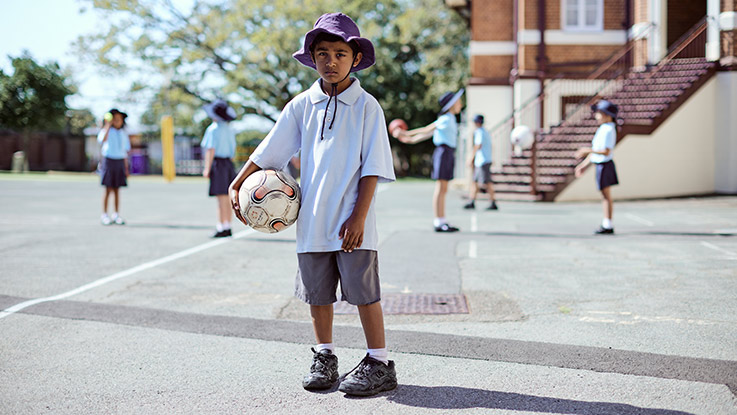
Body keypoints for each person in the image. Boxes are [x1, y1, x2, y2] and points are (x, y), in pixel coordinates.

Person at [228, 13, 397, 396]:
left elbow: (372, 168)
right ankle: (325, 356)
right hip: (312, 220)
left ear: (355, 58)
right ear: (312, 58)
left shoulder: (367, 107)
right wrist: (238, 182)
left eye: (340, 53)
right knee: (317, 295)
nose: (331, 61)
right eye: (323, 53)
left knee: (364, 292)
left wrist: (358, 216)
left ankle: (380, 361)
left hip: (353, 222)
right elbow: (270, 151)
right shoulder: (302, 106)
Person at [393, 89, 464, 232]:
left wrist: (410, 139)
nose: (461, 103)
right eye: (458, 101)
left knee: (443, 188)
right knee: (441, 187)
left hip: (448, 153)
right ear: (452, 104)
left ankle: (441, 220)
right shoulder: (446, 118)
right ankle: (439, 221)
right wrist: (406, 133)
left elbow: (427, 134)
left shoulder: (449, 119)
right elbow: (427, 129)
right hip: (444, 152)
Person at [574, 100, 619, 234]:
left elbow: (606, 151)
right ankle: (607, 222)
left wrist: (586, 150)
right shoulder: (603, 129)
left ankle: (608, 223)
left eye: (600, 113)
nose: (597, 116)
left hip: (605, 165)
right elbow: (596, 151)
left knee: (606, 195)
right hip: (600, 164)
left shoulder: (609, 129)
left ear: (607, 115)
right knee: (604, 195)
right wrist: (583, 165)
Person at [202, 99, 238, 238]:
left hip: (218, 164)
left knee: (220, 198)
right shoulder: (229, 129)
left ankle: (221, 226)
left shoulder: (213, 129)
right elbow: (232, 151)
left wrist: (207, 168)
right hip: (228, 164)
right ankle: (228, 225)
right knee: (228, 196)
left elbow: (210, 149)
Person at [98, 108, 130, 225]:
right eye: (115, 119)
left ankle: (116, 214)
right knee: (108, 189)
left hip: (119, 162)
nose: (117, 121)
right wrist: (107, 125)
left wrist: (126, 168)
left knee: (117, 190)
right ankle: (104, 215)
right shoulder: (107, 131)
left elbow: (125, 151)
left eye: (119, 119)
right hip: (109, 161)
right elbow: (102, 140)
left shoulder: (123, 133)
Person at [463, 114, 498, 210]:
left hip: (482, 161)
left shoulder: (479, 132)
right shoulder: (486, 132)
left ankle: (493, 201)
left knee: (487, 182)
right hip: (484, 160)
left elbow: (478, 145)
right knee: (475, 181)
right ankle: (472, 200)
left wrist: (471, 158)